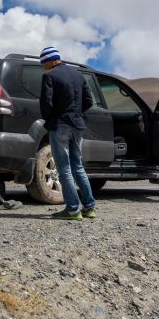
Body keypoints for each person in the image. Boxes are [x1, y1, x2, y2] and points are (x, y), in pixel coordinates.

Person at [39, 46, 97, 220]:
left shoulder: (49, 76)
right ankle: (89, 207)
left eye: (44, 63)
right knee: (78, 166)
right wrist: (76, 113)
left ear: (51, 60)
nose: (43, 66)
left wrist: (51, 118)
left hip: (60, 125)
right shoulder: (78, 75)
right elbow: (88, 101)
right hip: (77, 125)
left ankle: (72, 209)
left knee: (64, 169)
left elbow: (46, 105)